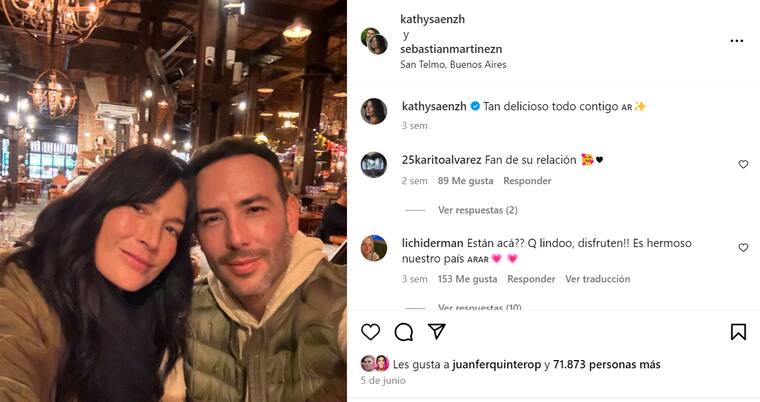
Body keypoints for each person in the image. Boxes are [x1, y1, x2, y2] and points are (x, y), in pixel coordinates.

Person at [0, 145, 195, 402]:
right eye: (139, 208)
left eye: (171, 229)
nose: (152, 240)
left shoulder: (156, 312)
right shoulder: (27, 291)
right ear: (99, 205)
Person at [181, 137, 347, 401]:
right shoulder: (184, 312)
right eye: (213, 219)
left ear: (290, 214)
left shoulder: (347, 301)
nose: (236, 239)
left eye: (254, 210)